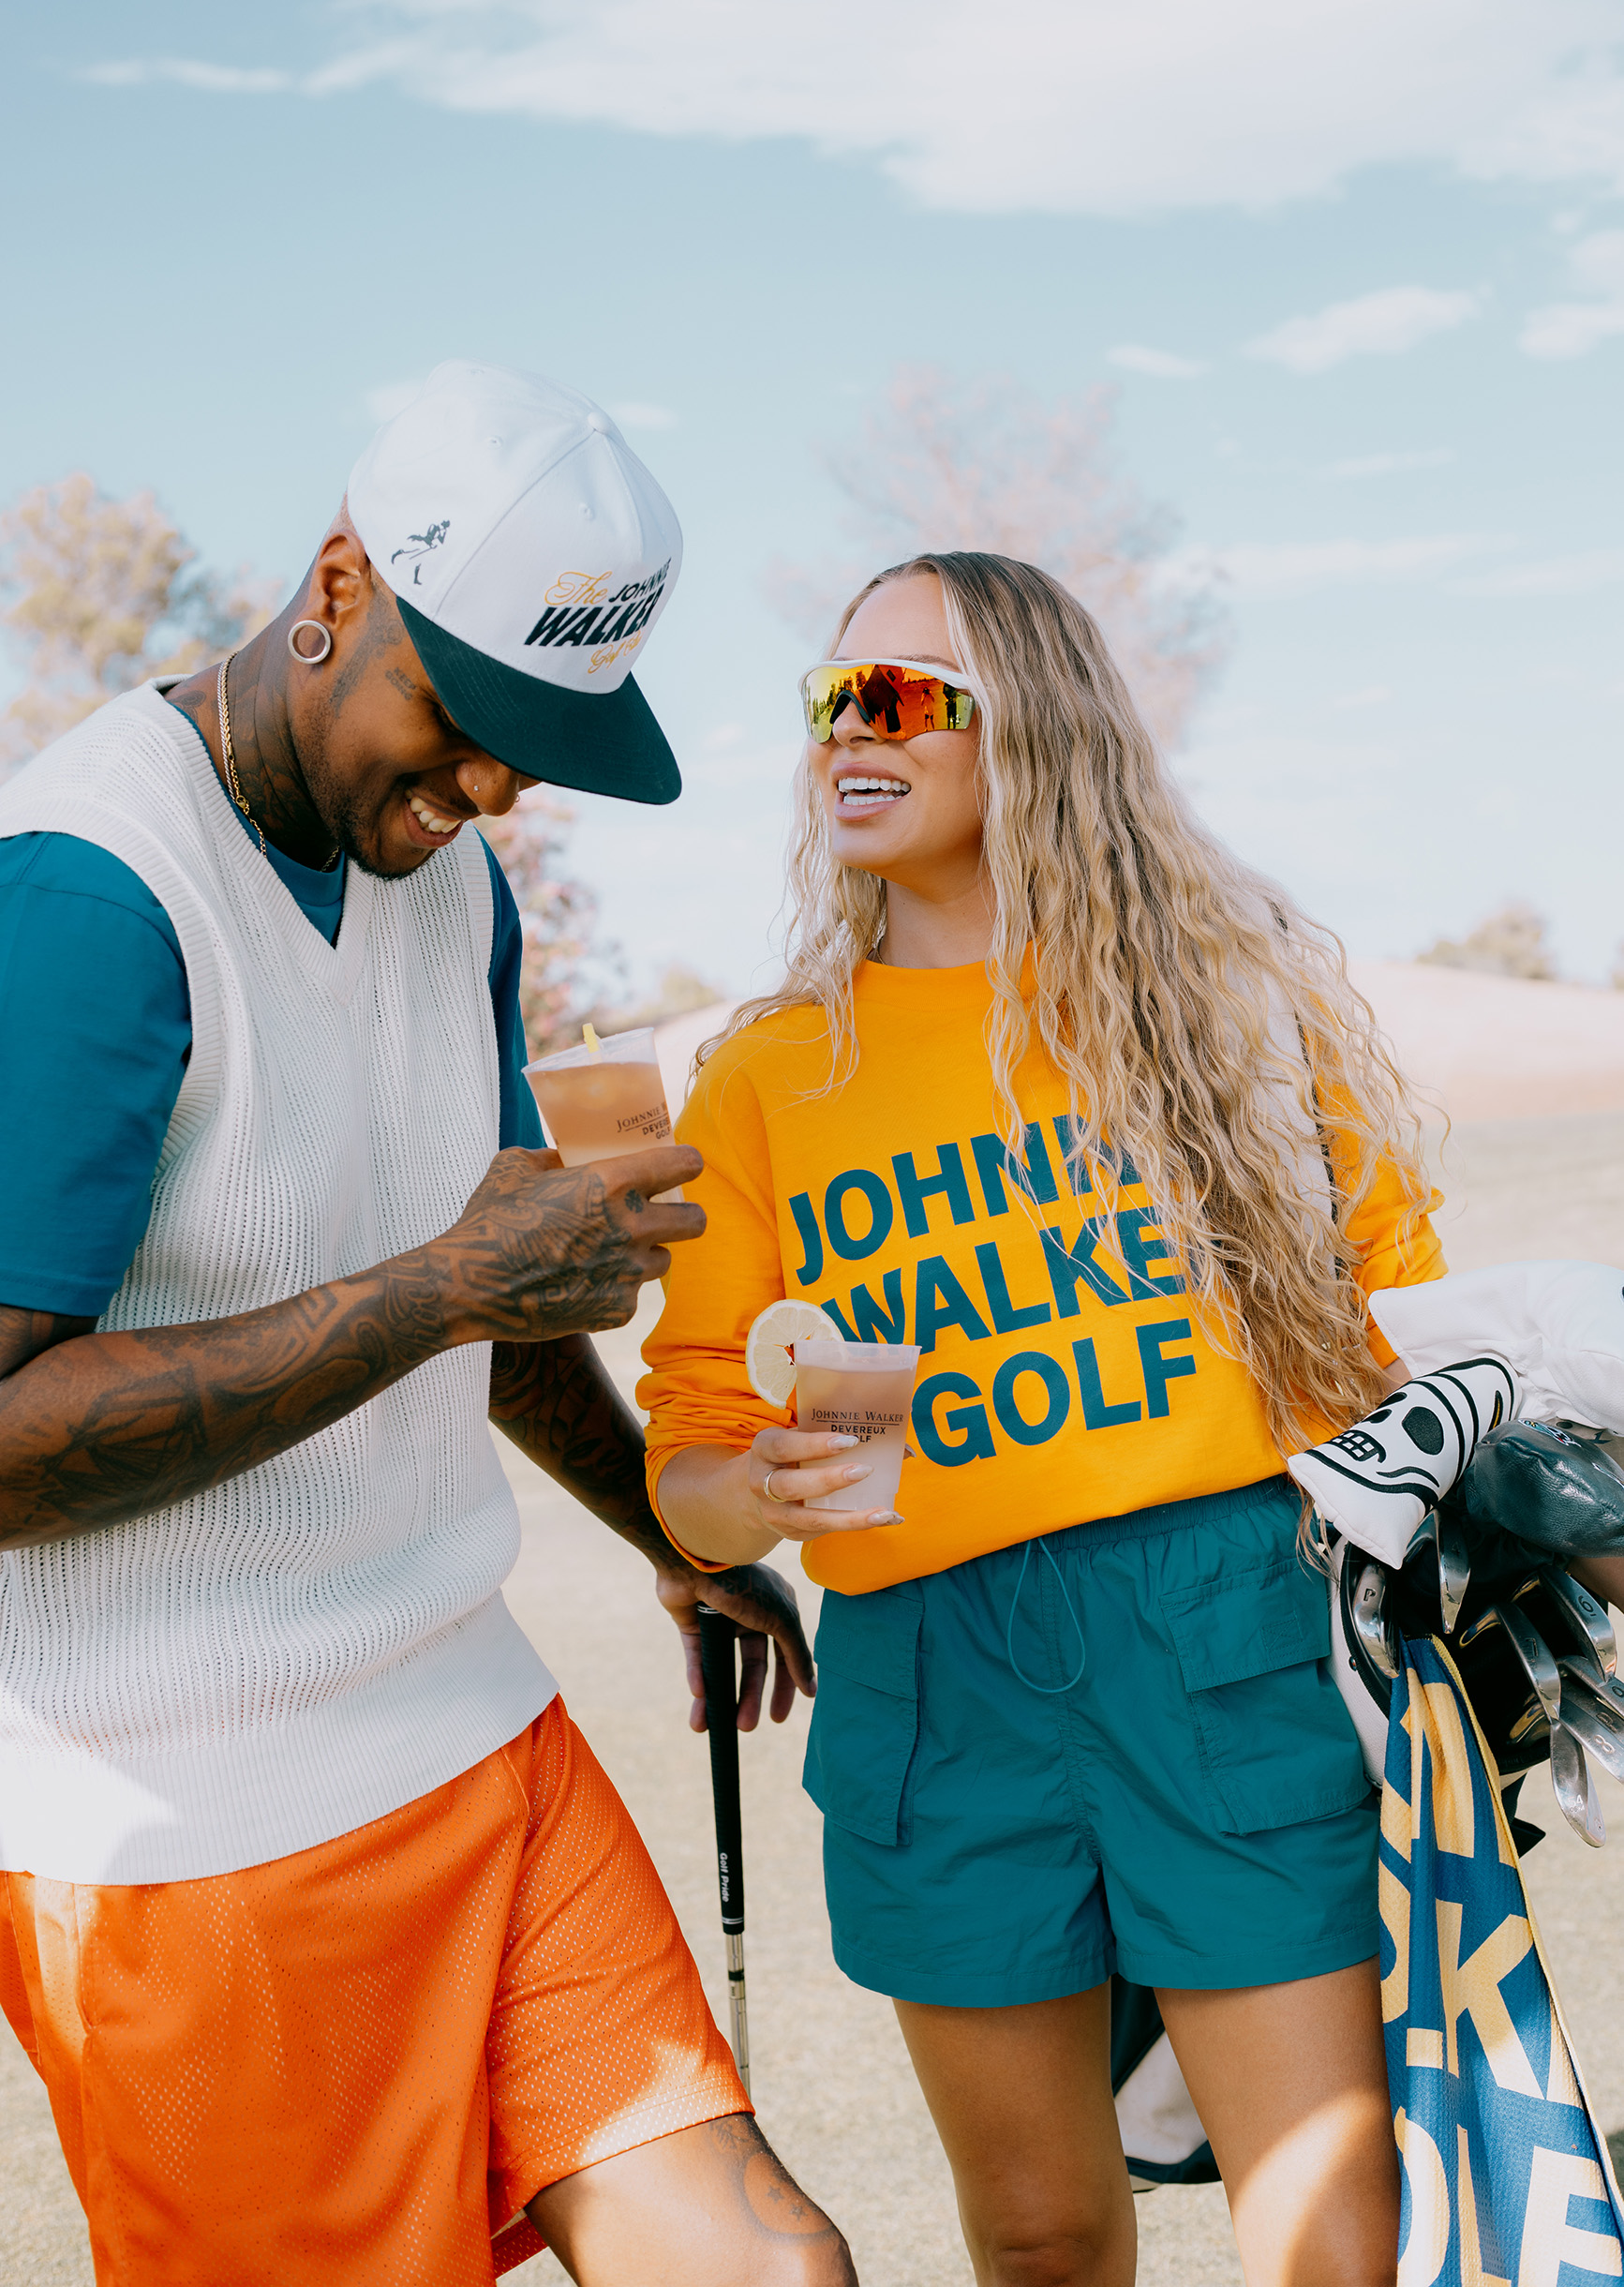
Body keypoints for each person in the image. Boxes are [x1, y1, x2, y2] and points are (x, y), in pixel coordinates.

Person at [0, 364, 850, 2287]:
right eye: (465, 720)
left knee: (768, 2266)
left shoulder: (449, 892)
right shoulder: (83, 900)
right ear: (333, 588)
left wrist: (664, 1534)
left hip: (470, 1720)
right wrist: (436, 1294)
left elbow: (500, 1265)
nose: (484, 789)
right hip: (187, 1822)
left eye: (531, 754)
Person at [642, 551, 1449, 2287]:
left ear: (1044, 737)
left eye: (908, 698)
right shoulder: (767, 1076)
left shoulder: (1225, 1012)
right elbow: (693, 1473)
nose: (850, 733)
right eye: (830, 697)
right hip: (932, 1675)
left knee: (1328, 2232)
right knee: (1036, 2236)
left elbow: (1408, 1331)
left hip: (1216, 1626)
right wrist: (752, 1494)